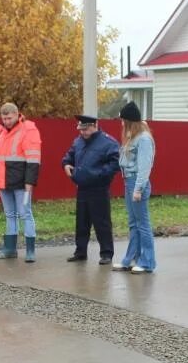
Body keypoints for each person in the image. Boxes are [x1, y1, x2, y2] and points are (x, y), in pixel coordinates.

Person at [62, 114, 120, 264]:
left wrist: (99, 174)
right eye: (81, 130)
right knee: (82, 222)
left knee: (102, 223)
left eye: (86, 130)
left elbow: (115, 163)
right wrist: (66, 164)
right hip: (82, 187)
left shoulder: (108, 142)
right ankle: (80, 252)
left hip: (99, 188)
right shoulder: (78, 141)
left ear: (95, 126)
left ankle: (106, 253)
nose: (83, 133)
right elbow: (69, 155)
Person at [0, 102, 41, 262]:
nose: (6, 121)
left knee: (25, 214)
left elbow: (34, 158)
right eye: (4, 118)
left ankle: (30, 251)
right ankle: (10, 249)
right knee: (10, 215)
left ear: (17, 114)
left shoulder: (29, 129)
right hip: (4, 180)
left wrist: (29, 182)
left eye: (9, 118)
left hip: (21, 182)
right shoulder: (0, 131)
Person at [114, 101, 157, 274]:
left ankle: (147, 262)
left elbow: (145, 167)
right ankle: (132, 258)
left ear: (130, 121)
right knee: (133, 223)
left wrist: (138, 189)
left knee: (142, 224)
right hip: (128, 181)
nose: (121, 123)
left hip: (137, 183)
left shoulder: (144, 139)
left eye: (123, 120)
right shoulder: (132, 136)